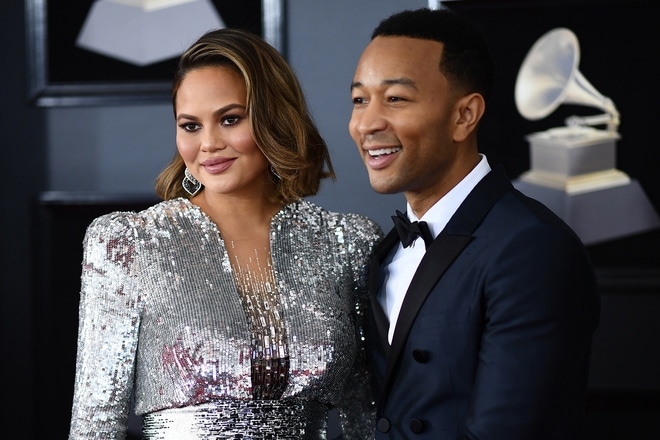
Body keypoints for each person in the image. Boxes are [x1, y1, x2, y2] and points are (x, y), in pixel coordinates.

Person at [68, 28, 383, 440]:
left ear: (275, 119)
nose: (209, 144)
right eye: (190, 125)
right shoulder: (128, 242)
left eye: (230, 119)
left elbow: (368, 417)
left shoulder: (349, 242)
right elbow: (95, 423)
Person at [348, 7, 599, 440]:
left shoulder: (533, 248)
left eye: (396, 98)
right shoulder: (386, 250)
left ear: (464, 115)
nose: (367, 123)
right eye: (359, 100)